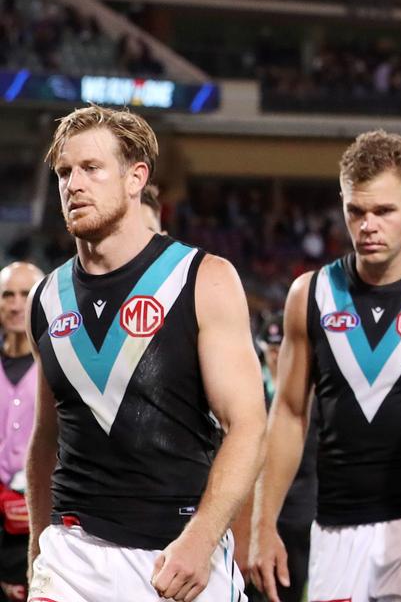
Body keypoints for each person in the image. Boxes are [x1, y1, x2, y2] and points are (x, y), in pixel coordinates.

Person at [26, 105, 265, 601]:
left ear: (136, 178)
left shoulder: (204, 279)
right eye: (65, 173)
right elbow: (46, 435)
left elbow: (247, 426)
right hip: (72, 554)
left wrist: (202, 538)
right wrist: (37, 544)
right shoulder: (44, 298)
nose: (73, 185)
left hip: (175, 554)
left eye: (91, 169)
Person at [248, 130, 401, 602]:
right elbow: (287, 415)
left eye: (384, 211)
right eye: (356, 211)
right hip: (335, 531)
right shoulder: (310, 294)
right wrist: (263, 524)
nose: (368, 225)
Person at [240, 315, 317, 602]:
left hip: (299, 507)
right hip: (252, 505)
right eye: (271, 348)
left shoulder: (311, 394)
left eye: (280, 347)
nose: (275, 354)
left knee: (290, 585)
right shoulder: (249, 389)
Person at [0, 262, 41, 601]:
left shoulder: (57, 367)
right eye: (7, 295)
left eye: (25, 294)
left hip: (40, 521)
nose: (15, 304)